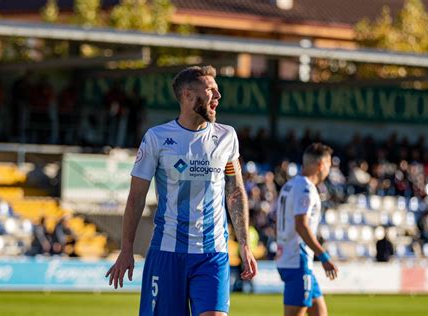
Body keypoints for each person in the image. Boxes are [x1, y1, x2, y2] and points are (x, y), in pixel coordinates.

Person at [106, 65, 257, 316]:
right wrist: (126, 249)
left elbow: (235, 192)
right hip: (167, 254)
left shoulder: (227, 137)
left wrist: (244, 245)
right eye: (210, 91)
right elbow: (136, 198)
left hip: (213, 253)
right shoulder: (156, 138)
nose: (218, 97)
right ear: (187, 95)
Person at [276, 143, 338, 316]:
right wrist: (323, 256)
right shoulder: (306, 189)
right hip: (298, 260)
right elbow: (301, 225)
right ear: (321, 165)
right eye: (329, 165)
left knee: (320, 313)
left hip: (290, 257)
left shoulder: (290, 185)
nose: (329, 170)